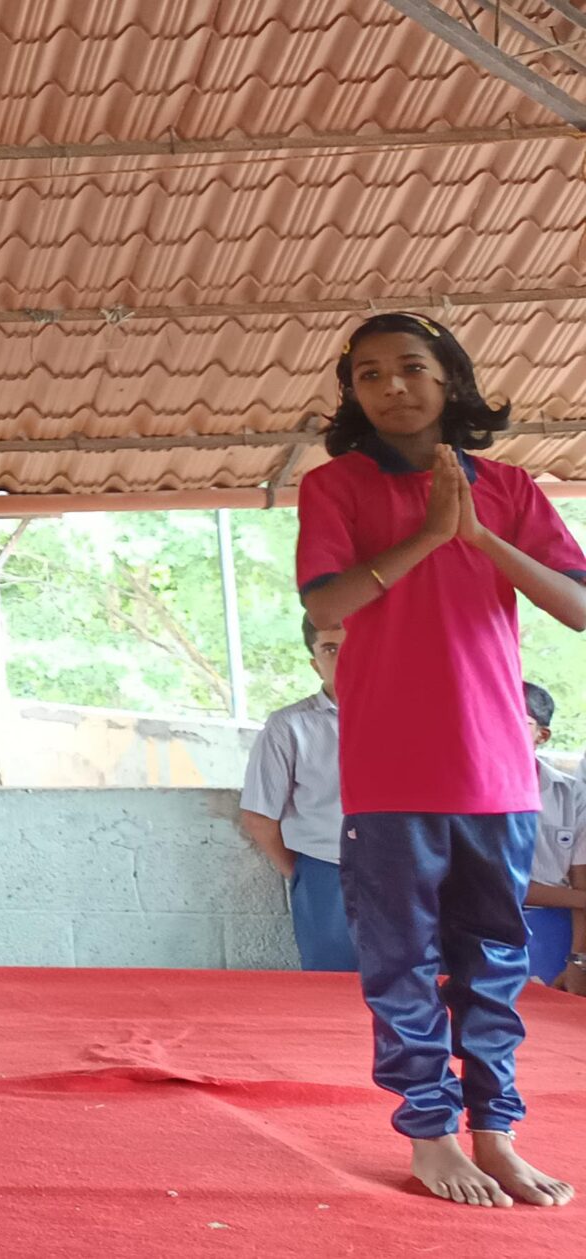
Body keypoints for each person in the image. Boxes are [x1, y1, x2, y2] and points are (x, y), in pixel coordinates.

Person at [295, 311, 583, 1209]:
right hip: (390, 776)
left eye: (412, 367)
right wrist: (427, 533)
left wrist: (480, 536)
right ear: (353, 393)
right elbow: (327, 606)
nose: (392, 386)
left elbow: (579, 606)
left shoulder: (510, 486)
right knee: (403, 965)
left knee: (494, 964)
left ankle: (495, 1131)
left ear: (450, 377)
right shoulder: (335, 487)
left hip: (497, 771)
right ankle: (430, 1134)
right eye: (370, 374)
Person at [237, 618, 355, 971]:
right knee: (333, 984)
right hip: (328, 873)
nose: (346, 658)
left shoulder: (411, 717)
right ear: (315, 663)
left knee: (421, 984)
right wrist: (302, 872)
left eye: (356, 645)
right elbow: (259, 815)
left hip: (409, 872)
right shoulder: (289, 726)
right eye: (330, 649)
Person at [517, 682, 586, 991]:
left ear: (542, 735)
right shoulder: (463, 791)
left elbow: (581, 880)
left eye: (517, 720)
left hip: (555, 932)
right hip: (478, 928)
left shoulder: (572, 794)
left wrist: (578, 960)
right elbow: (498, 887)